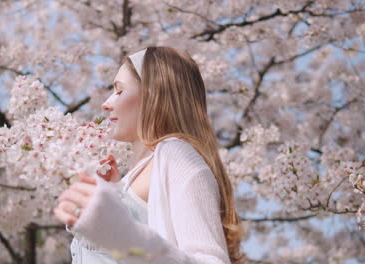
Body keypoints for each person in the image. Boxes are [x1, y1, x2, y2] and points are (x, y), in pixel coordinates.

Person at [54, 47, 245, 264]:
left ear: (154, 94)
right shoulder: (134, 175)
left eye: (119, 91)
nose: (106, 104)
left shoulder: (175, 155)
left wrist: (121, 233)